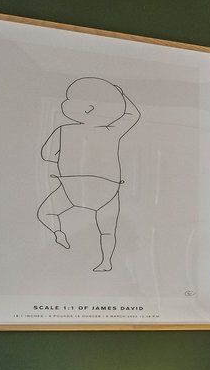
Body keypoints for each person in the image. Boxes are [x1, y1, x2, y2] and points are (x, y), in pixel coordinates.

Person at [38, 76, 138, 272]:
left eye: (70, 100)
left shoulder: (63, 130)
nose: (65, 103)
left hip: (72, 187)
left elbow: (46, 155)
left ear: (89, 108)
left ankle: (58, 233)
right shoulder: (113, 130)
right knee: (107, 230)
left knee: (46, 213)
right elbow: (133, 115)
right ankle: (106, 261)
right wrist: (121, 94)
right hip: (108, 189)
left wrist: (65, 159)